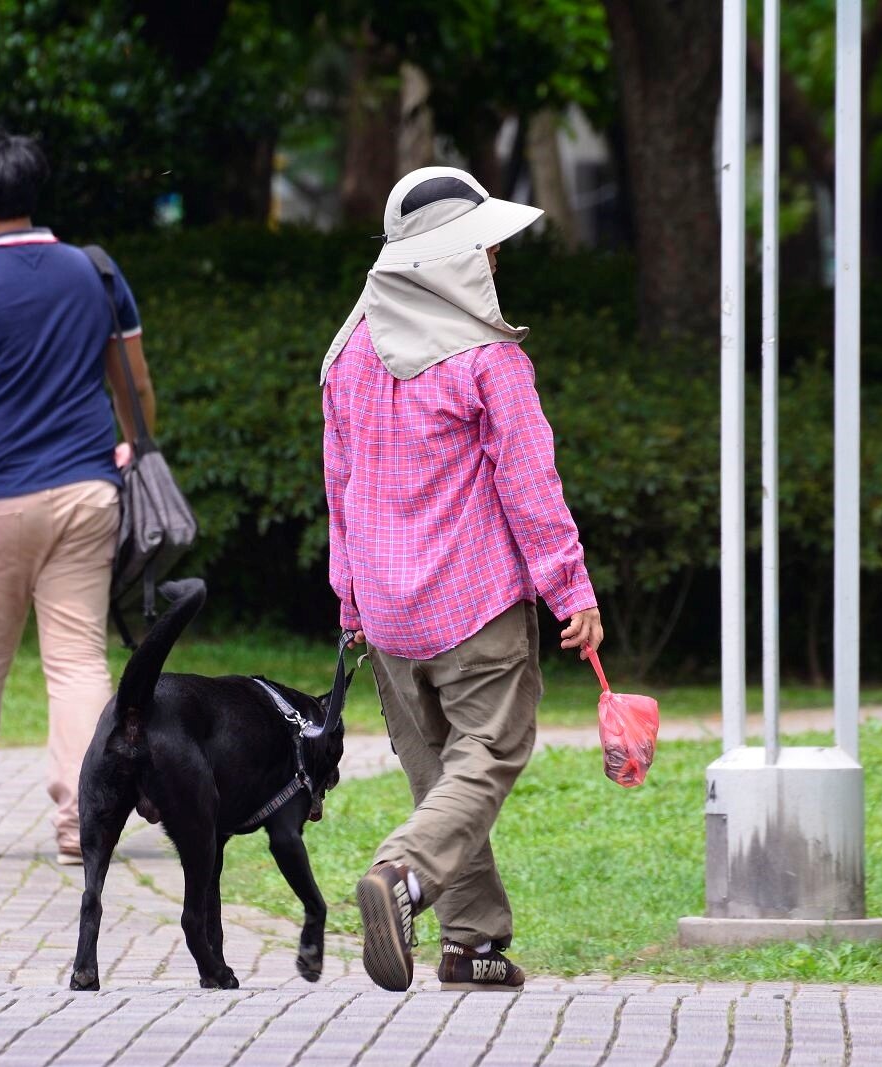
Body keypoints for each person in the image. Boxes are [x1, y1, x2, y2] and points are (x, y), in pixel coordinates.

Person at [321, 166, 604, 992]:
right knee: (491, 749)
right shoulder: (488, 361)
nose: (491, 258)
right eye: (480, 245)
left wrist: (350, 599)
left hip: (387, 612)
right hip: (475, 602)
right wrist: (571, 590)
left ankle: (472, 943)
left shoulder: (348, 355)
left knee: (442, 773)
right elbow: (530, 484)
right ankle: (402, 873)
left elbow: (340, 491)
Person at [0, 127, 154, 865]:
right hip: (87, 490)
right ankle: (85, 823)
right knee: (77, 662)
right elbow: (133, 383)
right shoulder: (96, 273)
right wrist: (134, 444)